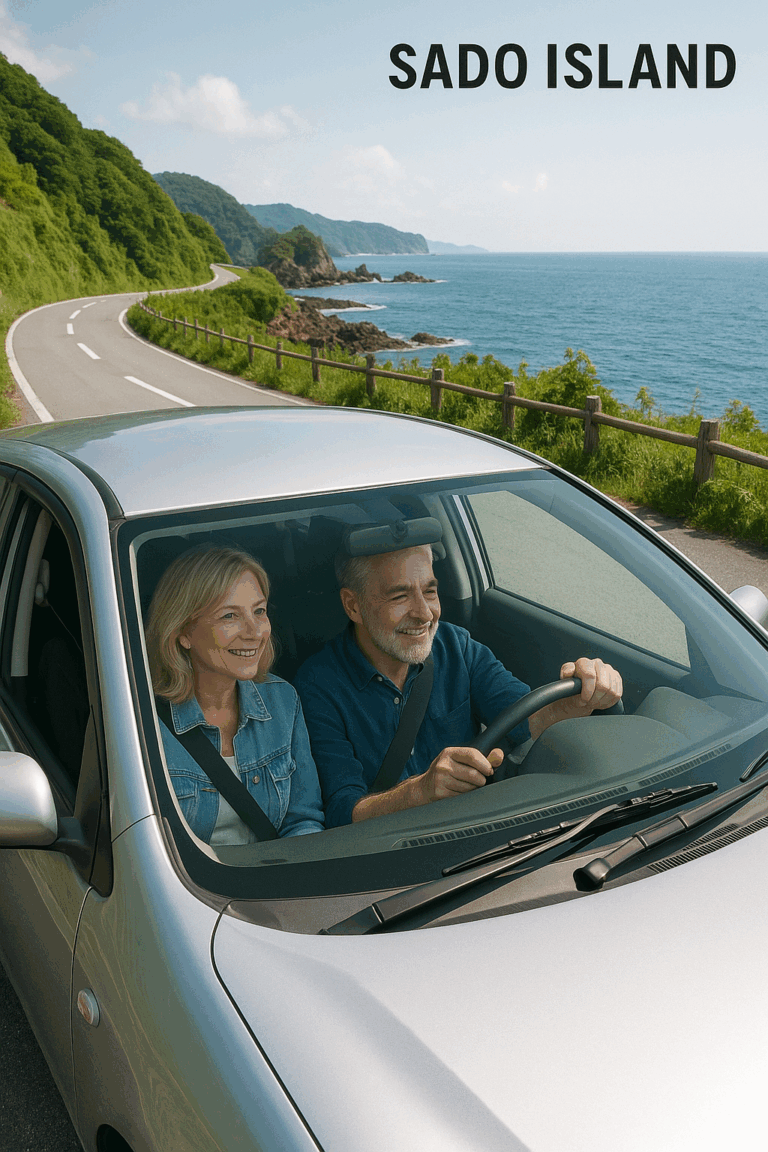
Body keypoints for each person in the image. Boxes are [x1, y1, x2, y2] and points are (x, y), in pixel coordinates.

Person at [293, 542, 622, 828]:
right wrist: (419, 791)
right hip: (390, 858)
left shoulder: (457, 646)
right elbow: (340, 812)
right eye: (399, 595)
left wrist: (578, 699)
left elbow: (523, 718)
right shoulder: (316, 686)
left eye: (430, 591)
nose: (424, 613)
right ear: (353, 605)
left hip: (480, 837)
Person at [146, 545, 324, 844]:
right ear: (183, 632)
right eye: (230, 616)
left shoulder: (282, 701)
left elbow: (302, 819)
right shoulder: (141, 723)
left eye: (259, 611)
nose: (255, 632)